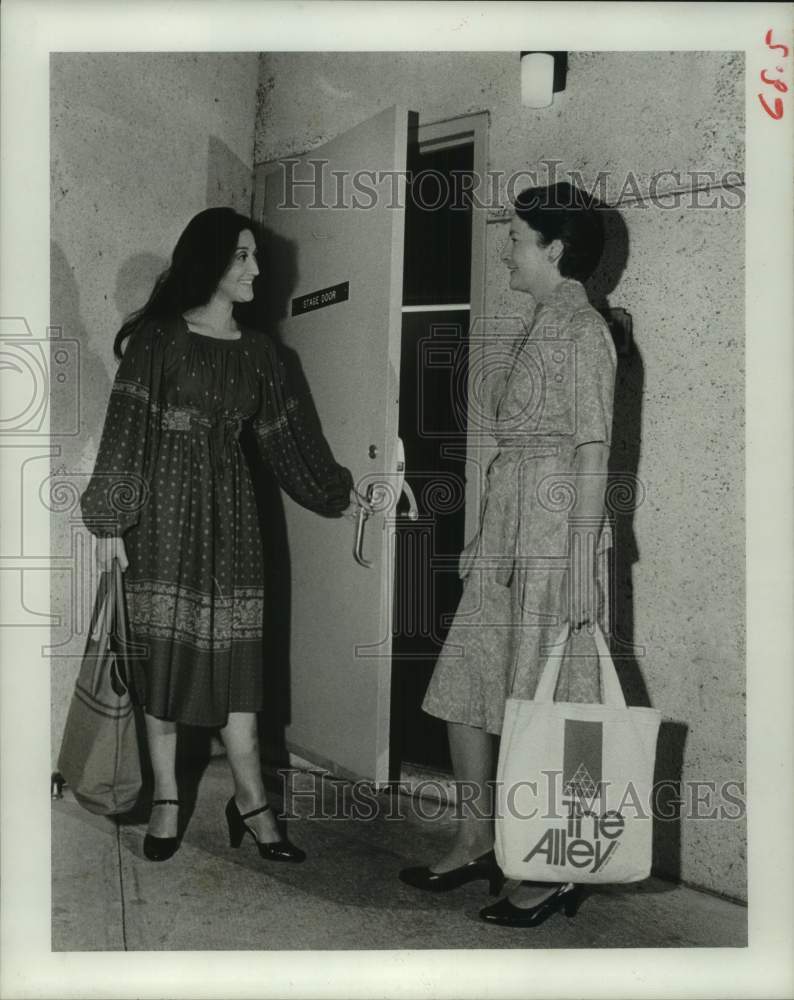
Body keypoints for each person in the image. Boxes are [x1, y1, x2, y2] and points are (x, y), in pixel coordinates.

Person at [80, 207, 366, 863]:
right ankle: (165, 801)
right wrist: (110, 523)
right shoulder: (158, 340)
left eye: (256, 256)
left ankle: (250, 799)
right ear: (209, 261)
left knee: (239, 665)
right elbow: (127, 431)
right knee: (161, 659)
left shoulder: (263, 354)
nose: (257, 269)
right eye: (243, 256)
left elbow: (287, 442)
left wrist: (338, 494)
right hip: (161, 520)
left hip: (234, 521)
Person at [399, 182, 617, 926]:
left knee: (564, 706)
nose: (507, 251)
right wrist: (485, 542)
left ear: (554, 250)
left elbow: (593, 448)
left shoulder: (585, 329)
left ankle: (564, 863)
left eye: (518, 238)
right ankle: (477, 838)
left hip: (558, 534)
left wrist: (583, 557)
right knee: (465, 685)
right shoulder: (538, 324)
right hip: (510, 533)